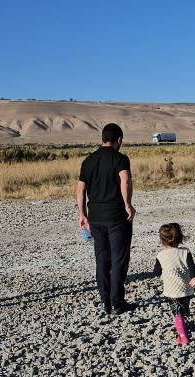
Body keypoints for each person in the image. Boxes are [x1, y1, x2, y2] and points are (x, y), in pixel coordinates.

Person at [76, 123, 136, 314]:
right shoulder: (120, 158)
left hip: (95, 216)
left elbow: (80, 188)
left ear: (102, 139)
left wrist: (82, 214)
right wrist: (128, 204)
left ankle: (105, 300)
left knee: (102, 259)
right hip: (117, 216)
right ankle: (117, 302)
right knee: (119, 258)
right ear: (119, 140)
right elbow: (125, 179)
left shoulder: (88, 160)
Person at [152, 223, 195, 345]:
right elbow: (192, 267)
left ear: (162, 241)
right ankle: (183, 323)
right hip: (185, 287)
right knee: (183, 308)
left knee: (176, 312)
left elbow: (156, 272)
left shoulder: (161, 255)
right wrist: (193, 278)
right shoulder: (185, 252)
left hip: (171, 289)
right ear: (179, 238)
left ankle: (183, 336)